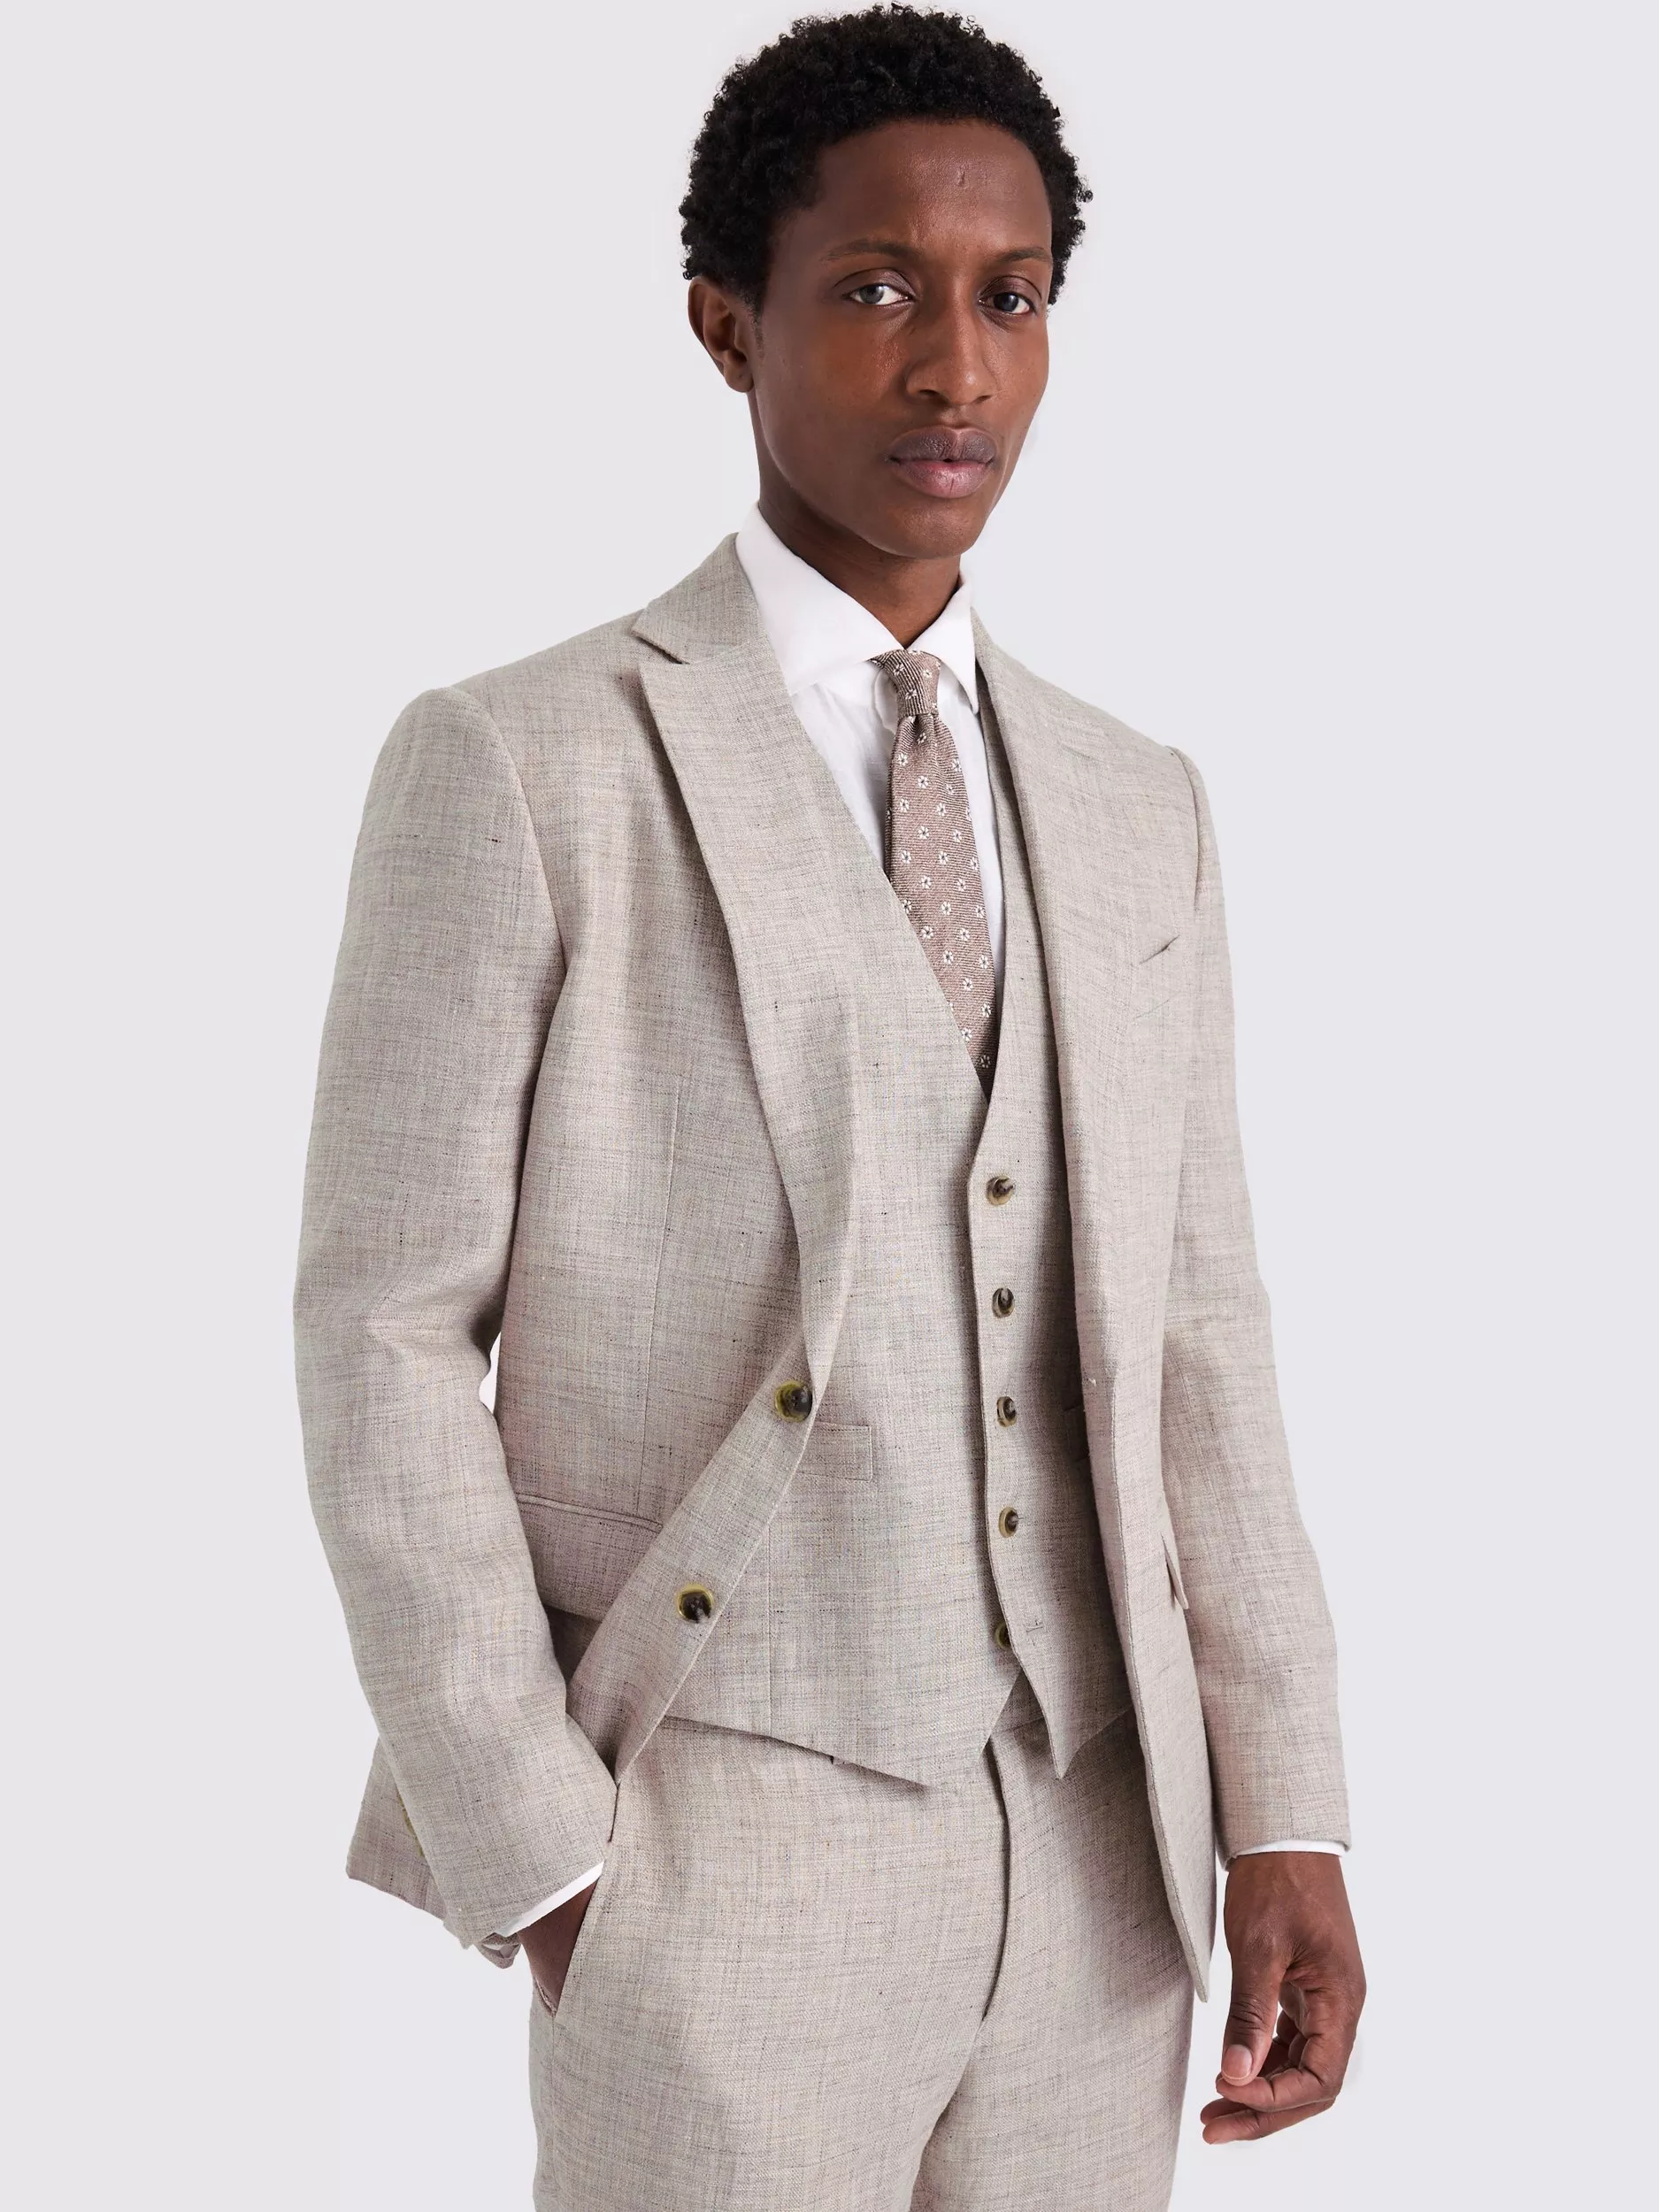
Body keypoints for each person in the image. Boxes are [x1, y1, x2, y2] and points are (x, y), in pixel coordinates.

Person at [294, 9, 1365, 2206]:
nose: (954, 366)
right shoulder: (522, 762)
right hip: (714, 1847)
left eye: (1009, 296)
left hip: (1099, 1864)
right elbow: (381, 1328)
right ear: (727, 323)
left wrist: (1287, 1812)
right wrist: (547, 1855)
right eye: (876, 288)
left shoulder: (1134, 802)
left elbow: (1201, 1333)